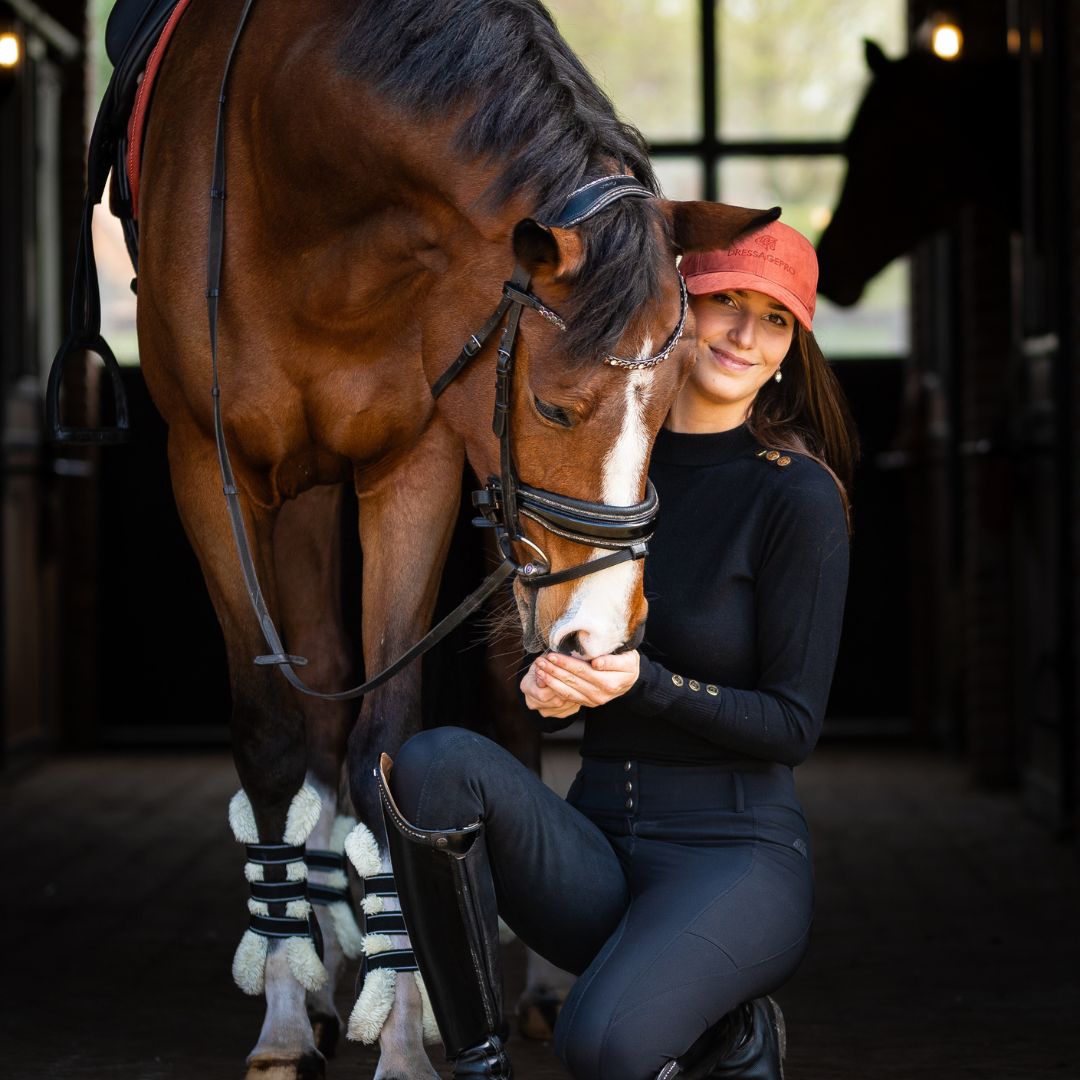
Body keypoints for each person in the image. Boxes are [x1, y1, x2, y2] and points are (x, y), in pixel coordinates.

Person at [375, 219, 857, 1080]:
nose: (746, 336)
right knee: (432, 763)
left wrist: (642, 684)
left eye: (775, 319)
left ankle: (733, 1034)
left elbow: (792, 724)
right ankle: (480, 1065)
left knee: (600, 1045)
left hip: (732, 861)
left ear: (793, 348)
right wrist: (549, 681)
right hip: (598, 851)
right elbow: (555, 627)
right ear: (676, 309)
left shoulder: (794, 496)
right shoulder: (602, 469)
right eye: (724, 304)